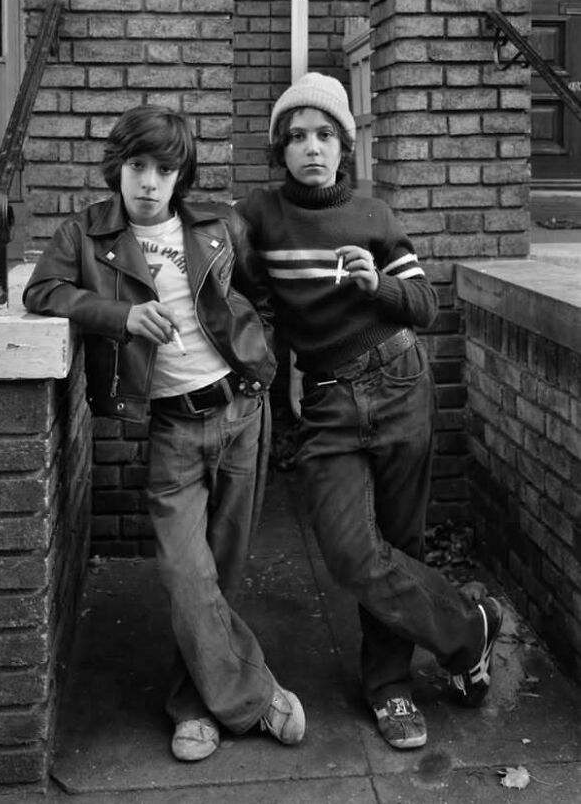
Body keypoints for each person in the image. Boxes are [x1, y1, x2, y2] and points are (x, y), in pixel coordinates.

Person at [22, 104, 305, 762]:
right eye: (138, 166)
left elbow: (260, 296)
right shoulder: (86, 235)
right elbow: (43, 293)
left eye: (164, 169)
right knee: (186, 573)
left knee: (222, 572)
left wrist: (261, 362)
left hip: (242, 412)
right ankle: (254, 699)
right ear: (118, 168)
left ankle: (192, 706)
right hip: (174, 429)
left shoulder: (217, 224)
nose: (150, 181)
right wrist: (120, 315)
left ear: (181, 175)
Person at [232, 73, 503, 751]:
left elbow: (424, 306)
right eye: (297, 136)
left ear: (345, 146)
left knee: (401, 542)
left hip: (399, 382)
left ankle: (390, 686)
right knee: (354, 554)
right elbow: (241, 290)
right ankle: (470, 627)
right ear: (279, 148)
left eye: (325, 135)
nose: (312, 148)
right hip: (327, 400)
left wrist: (375, 282)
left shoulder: (375, 216)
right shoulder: (260, 216)